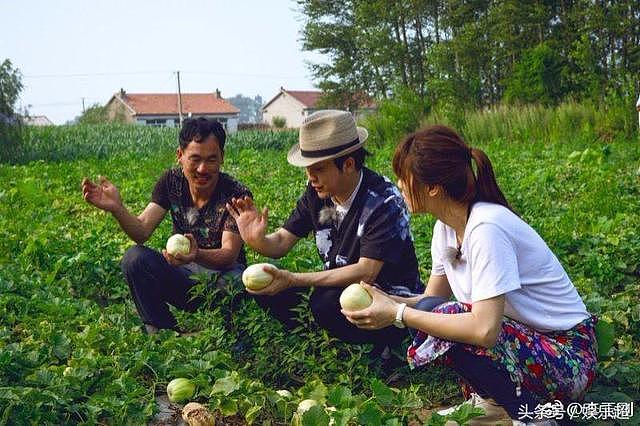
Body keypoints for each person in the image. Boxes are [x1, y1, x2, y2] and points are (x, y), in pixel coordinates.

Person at [342, 125, 597, 425]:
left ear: (433, 186)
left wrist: (398, 314)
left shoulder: (487, 228)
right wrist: (387, 300)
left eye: (404, 177)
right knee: (431, 311)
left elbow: (485, 331)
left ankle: (534, 415)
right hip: (530, 345)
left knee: (446, 316)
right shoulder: (446, 229)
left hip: (567, 356)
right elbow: (430, 300)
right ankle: (497, 404)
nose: (399, 184)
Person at [226, 110, 424, 352]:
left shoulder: (383, 201)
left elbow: (366, 272)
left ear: (348, 164)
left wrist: (293, 279)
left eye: (318, 169)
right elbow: (280, 243)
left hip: (389, 298)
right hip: (338, 288)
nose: (311, 178)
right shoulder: (317, 193)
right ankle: (324, 337)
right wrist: (256, 239)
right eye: (308, 169)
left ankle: (384, 346)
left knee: (325, 302)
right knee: (265, 287)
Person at [82, 118, 251, 334]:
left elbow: (229, 254)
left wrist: (196, 254)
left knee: (239, 280)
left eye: (211, 160)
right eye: (195, 159)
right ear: (180, 156)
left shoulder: (235, 194)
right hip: (182, 276)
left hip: (222, 279)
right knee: (135, 259)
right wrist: (117, 208)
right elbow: (142, 230)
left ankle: (231, 334)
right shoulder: (171, 182)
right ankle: (162, 332)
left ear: (222, 158)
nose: (202, 169)